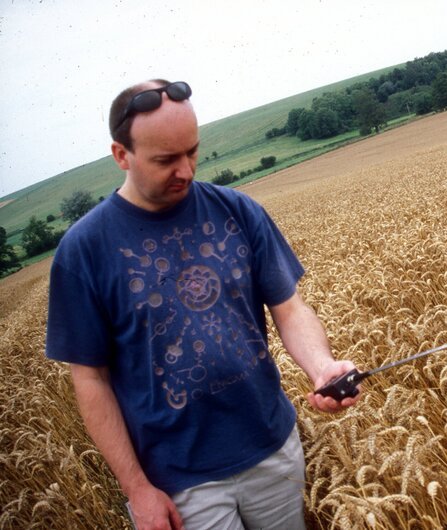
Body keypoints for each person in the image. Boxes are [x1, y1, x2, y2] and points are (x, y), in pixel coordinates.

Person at [45, 79, 360, 530]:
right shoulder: (84, 251)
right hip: (179, 482)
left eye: (192, 151)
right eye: (166, 160)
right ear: (121, 155)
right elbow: (89, 379)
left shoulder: (237, 209)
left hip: (272, 448)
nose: (187, 170)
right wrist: (137, 490)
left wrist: (321, 367)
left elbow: (289, 308)